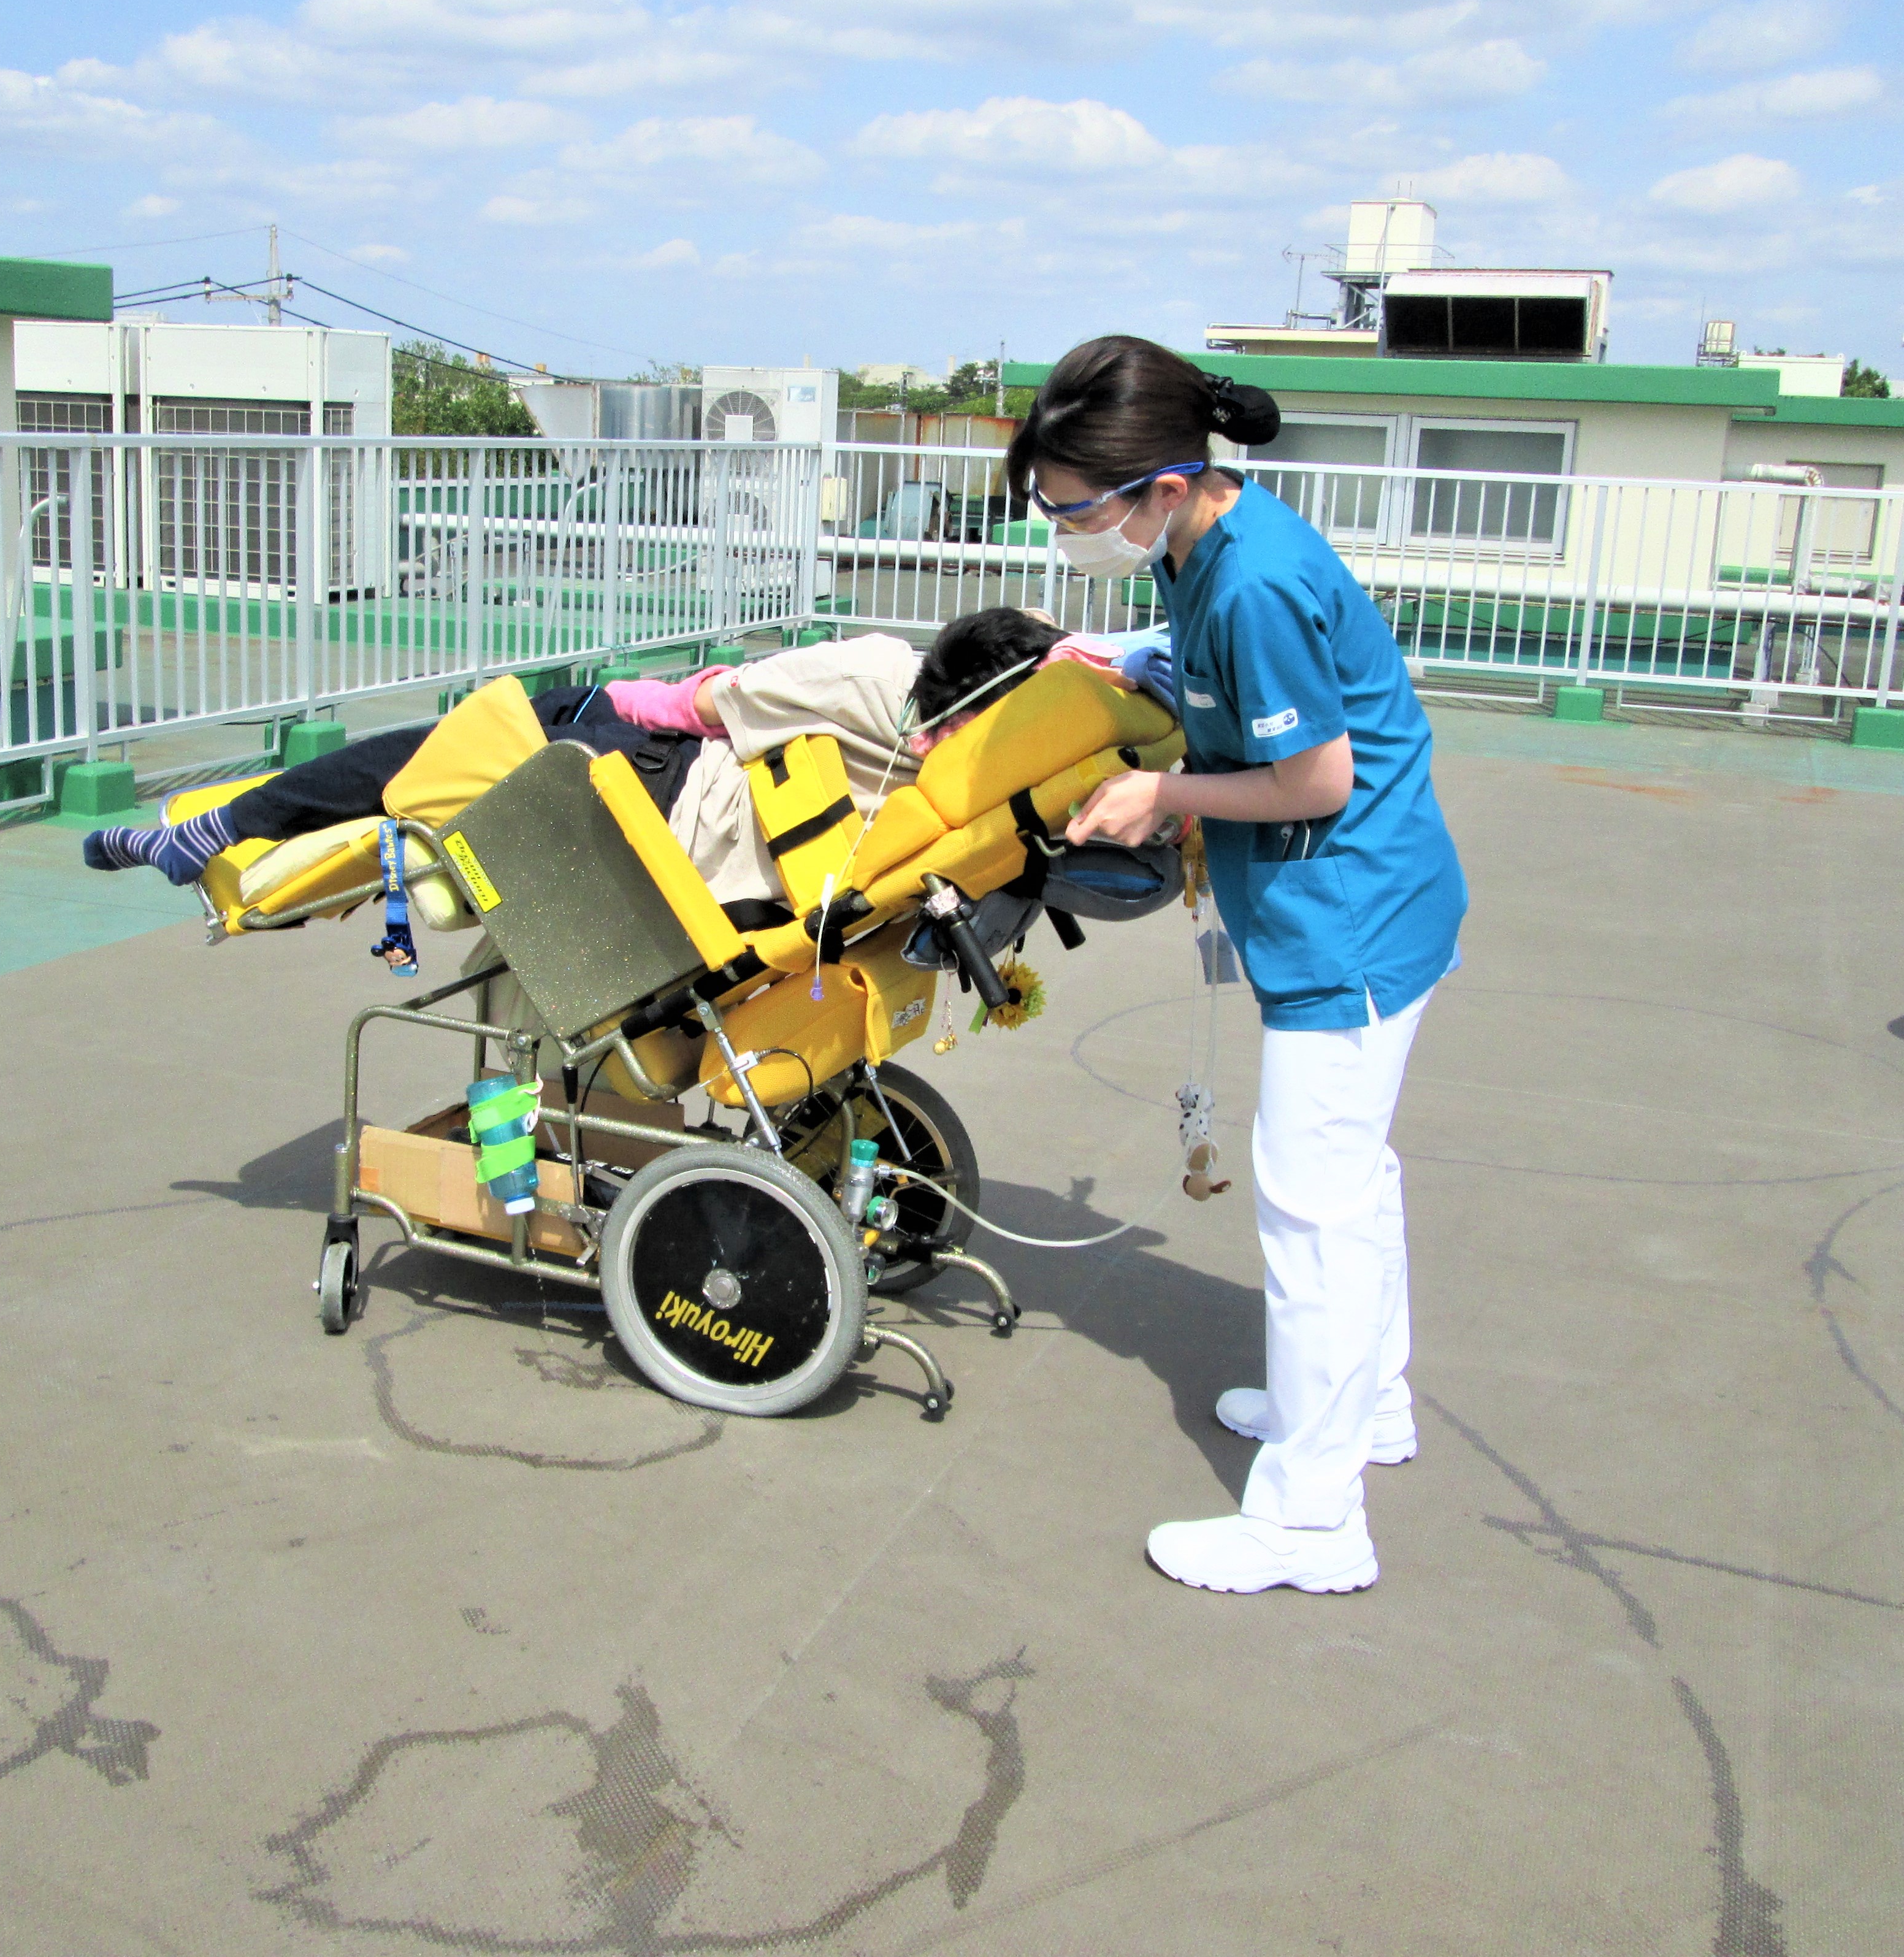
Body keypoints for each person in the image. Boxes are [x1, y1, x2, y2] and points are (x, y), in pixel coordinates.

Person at [1008, 334, 1467, 1597]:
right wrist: (1136, 664)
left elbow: (1318, 775)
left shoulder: (1248, 579)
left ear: (1160, 483)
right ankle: (1369, 1408)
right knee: (1353, 1187)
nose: (1060, 530)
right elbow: (1237, 676)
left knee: (1310, 1214)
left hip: (1349, 924)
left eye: (1073, 509)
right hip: (1380, 908)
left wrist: (1163, 791)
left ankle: (1315, 1523)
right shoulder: (1212, 540)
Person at [84, 615, 1079, 908]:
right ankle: (222, 822)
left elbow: (709, 703)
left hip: (661, 784)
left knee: (439, 754)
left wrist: (616, 694)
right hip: (711, 804)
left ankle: (216, 831)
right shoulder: (996, 770)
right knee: (513, 714)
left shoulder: (880, 681)